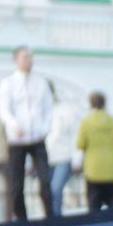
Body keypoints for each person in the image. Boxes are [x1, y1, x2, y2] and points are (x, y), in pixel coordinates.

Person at [0, 46, 56, 219]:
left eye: (30, 57)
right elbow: (4, 110)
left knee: (45, 180)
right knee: (17, 184)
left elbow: (48, 108)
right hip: (17, 140)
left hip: (37, 138)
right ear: (16, 59)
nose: (29, 60)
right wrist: (14, 125)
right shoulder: (8, 83)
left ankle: (50, 216)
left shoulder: (40, 82)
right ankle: (21, 220)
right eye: (25, 57)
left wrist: (45, 129)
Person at [76, 91, 113, 211]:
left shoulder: (86, 122)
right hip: (111, 167)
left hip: (93, 169)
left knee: (94, 204)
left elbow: (80, 144)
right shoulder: (112, 121)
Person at [44, 89, 82, 218]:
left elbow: (75, 135)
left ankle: (55, 219)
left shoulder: (65, 111)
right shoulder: (40, 112)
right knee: (47, 192)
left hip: (63, 157)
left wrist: (77, 158)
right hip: (46, 159)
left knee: (56, 189)